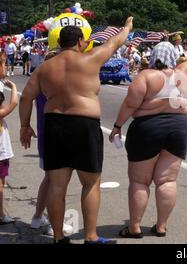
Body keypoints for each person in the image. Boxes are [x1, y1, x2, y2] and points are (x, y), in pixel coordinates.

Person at [19, 16, 134, 244]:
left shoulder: (44, 68)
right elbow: (115, 42)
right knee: (90, 183)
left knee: (57, 185)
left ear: (60, 42)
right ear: (81, 41)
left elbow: (26, 98)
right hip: (84, 125)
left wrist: (25, 125)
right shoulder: (91, 58)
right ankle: (90, 237)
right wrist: (128, 26)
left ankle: (59, 237)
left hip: (55, 125)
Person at [109, 23, 187, 239]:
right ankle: (161, 225)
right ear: (173, 56)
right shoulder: (185, 72)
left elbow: (130, 105)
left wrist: (117, 126)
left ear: (153, 57)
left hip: (147, 128)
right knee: (167, 181)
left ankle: (135, 227)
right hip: (177, 127)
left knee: (140, 181)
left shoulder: (146, 76)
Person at [30, 51, 73, 236]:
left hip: (46, 134)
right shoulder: (51, 86)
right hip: (54, 135)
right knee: (56, 183)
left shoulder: (39, 83)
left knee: (49, 180)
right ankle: (53, 224)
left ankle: (38, 217)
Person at [0, 80, 18, 225]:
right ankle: (1, 214)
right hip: (1, 155)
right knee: (0, 184)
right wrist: (13, 87)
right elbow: (13, 103)